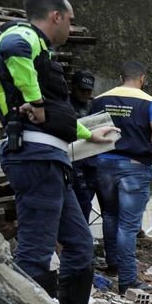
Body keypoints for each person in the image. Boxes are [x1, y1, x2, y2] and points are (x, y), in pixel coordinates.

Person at [0, 0, 116, 304]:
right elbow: (12, 51)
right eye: (70, 20)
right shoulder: (22, 36)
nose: (71, 27)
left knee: (78, 244)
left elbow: (59, 121)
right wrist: (35, 100)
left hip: (52, 161)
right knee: (36, 248)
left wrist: (92, 134)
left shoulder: (43, 53)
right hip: (33, 158)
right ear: (55, 16)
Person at [89, 62, 152, 295]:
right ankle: (127, 280)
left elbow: (89, 134)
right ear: (142, 78)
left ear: (120, 77)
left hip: (103, 164)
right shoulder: (150, 102)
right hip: (134, 167)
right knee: (128, 225)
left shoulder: (100, 100)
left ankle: (113, 264)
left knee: (110, 215)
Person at [68, 69, 99, 226]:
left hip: (91, 161)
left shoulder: (93, 105)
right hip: (72, 160)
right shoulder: (65, 104)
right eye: (82, 90)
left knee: (86, 203)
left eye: (88, 90)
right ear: (73, 87)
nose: (85, 94)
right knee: (79, 202)